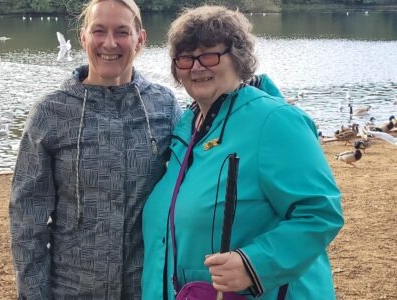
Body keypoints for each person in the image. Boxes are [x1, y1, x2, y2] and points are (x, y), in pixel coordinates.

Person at [142, 6, 344, 300]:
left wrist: (254, 266)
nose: (197, 67)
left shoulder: (274, 121)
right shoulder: (186, 128)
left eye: (209, 55)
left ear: (237, 57)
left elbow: (320, 212)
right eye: (186, 58)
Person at [9, 0, 181, 298]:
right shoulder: (51, 112)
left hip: (146, 287)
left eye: (122, 32)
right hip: (72, 289)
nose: (110, 43)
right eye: (99, 31)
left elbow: (192, 190)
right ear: (83, 37)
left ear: (141, 39)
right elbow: (28, 217)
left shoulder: (164, 107)